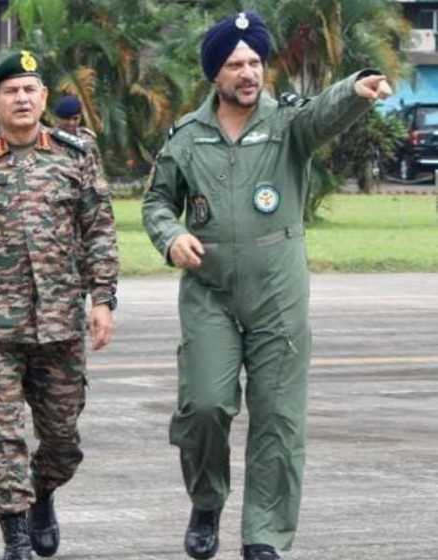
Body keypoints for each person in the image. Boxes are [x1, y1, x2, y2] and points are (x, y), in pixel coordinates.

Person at [141, 12, 392, 560]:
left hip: (277, 291)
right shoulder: (187, 137)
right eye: (235, 64)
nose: (248, 72)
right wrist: (172, 235)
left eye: (255, 61)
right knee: (205, 406)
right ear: (216, 74)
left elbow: (324, 114)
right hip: (209, 293)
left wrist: (356, 88)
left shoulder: (287, 125)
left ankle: (265, 536)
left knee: (278, 417)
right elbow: (157, 201)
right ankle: (207, 500)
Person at [0, 50, 118, 560]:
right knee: (1, 437)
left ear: (44, 99)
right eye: (11, 91)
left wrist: (103, 300)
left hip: (60, 324)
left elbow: (98, 229)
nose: (22, 98)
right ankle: (15, 540)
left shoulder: (76, 157)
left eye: (30, 89)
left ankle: (43, 495)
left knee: (62, 442)